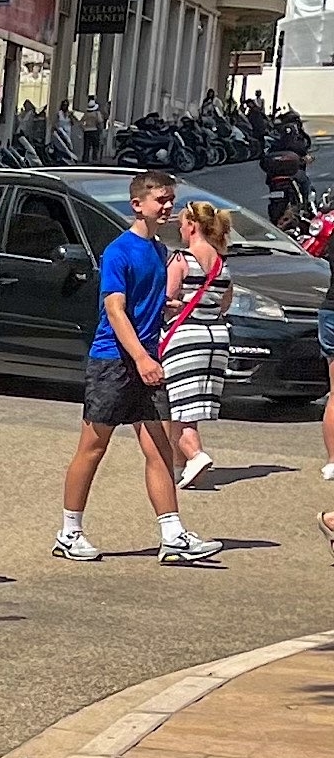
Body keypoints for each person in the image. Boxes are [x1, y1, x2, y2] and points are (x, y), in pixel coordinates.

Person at [56, 170, 222, 566]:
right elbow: (114, 308)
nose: (167, 207)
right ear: (138, 205)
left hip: (147, 362)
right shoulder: (119, 251)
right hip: (114, 362)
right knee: (93, 447)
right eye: (160, 200)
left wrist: (165, 310)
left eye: (170, 200)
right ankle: (69, 532)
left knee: (160, 450)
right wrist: (142, 357)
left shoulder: (160, 252)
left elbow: (139, 304)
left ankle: (173, 535)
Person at [161, 199, 232, 489]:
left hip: (186, 337)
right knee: (191, 405)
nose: (179, 228)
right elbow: (224, 304)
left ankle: (195, 455)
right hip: (215, 337)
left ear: (191, 226)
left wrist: (177, 303)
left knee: (177, 404)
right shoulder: (221, 263)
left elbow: (166, 299)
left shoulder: (181, 259)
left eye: (181, 224)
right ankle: (180, 467)